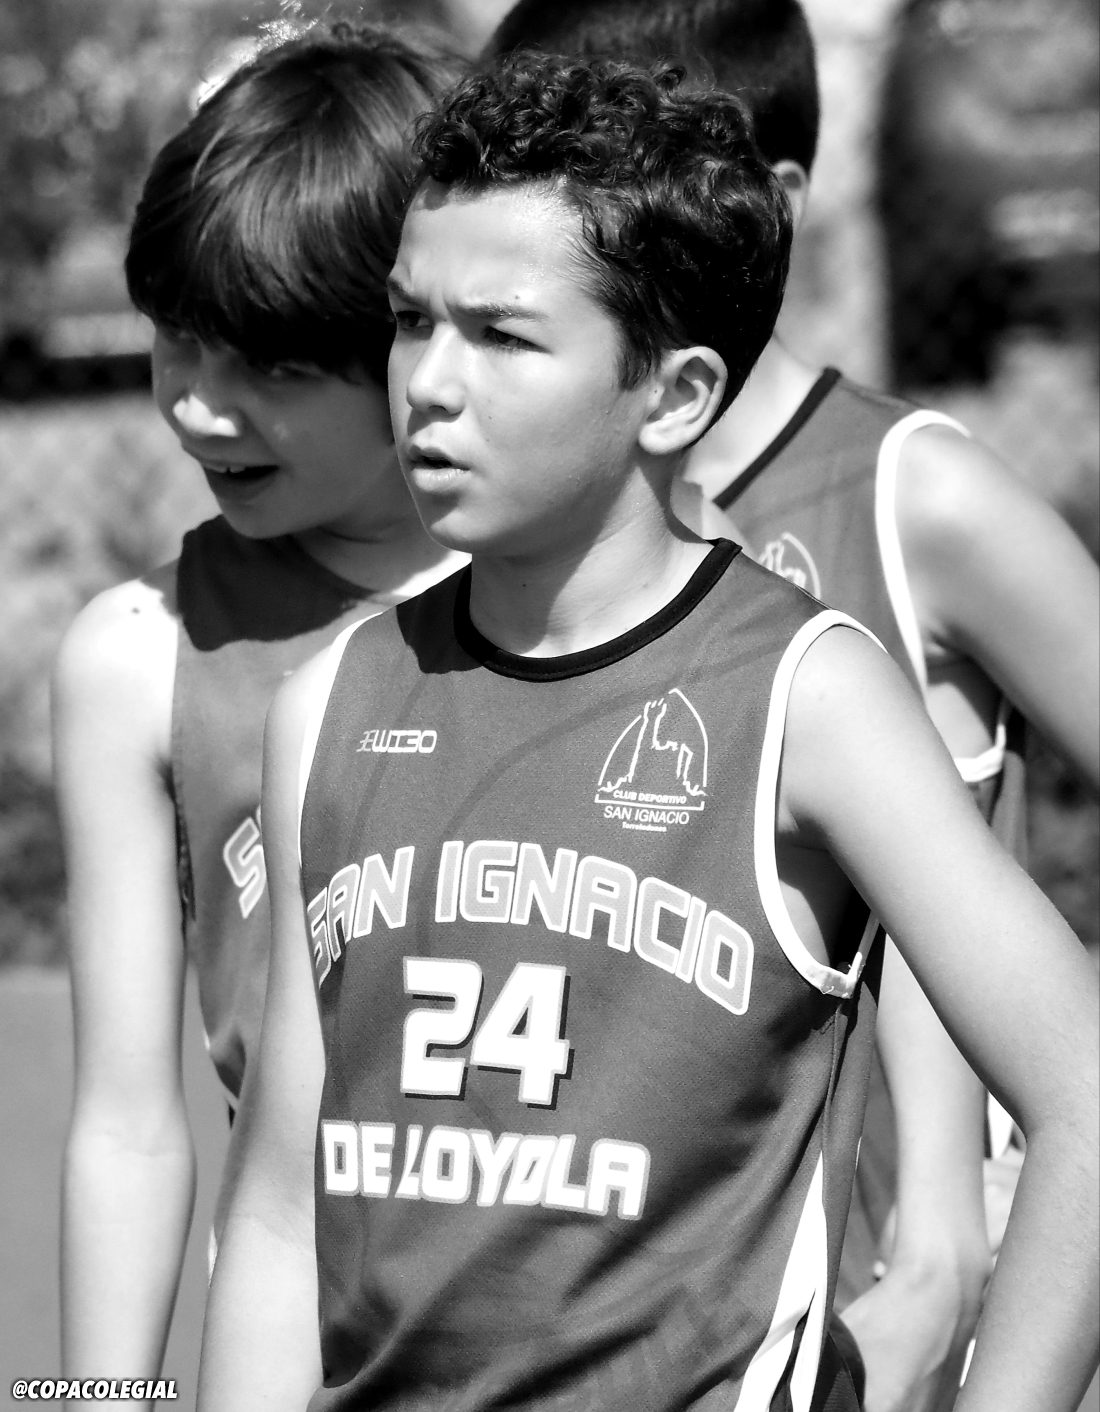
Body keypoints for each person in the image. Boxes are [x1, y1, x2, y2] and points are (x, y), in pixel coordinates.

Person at [199, 52, 1099, 1412]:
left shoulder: (809, 696)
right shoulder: (328, 702)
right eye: (409, 321)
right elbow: (279, 1212)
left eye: (503, 337)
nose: (429, 382)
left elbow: (1084, 1097)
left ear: (674, 396)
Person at [487, 3, 1100, 1407]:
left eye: (613, 173)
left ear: (772, 201)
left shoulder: (917, 497)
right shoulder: (525, 537)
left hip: (905, 1330)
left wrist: (980, 1225)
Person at [52, 21, 473, 1386]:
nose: (201, 409)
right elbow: (127, 1123)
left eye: (275, 368)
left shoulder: (613, 596)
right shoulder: (137, 657)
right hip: (296, 1344)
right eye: (180, 343)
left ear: (420, 340)